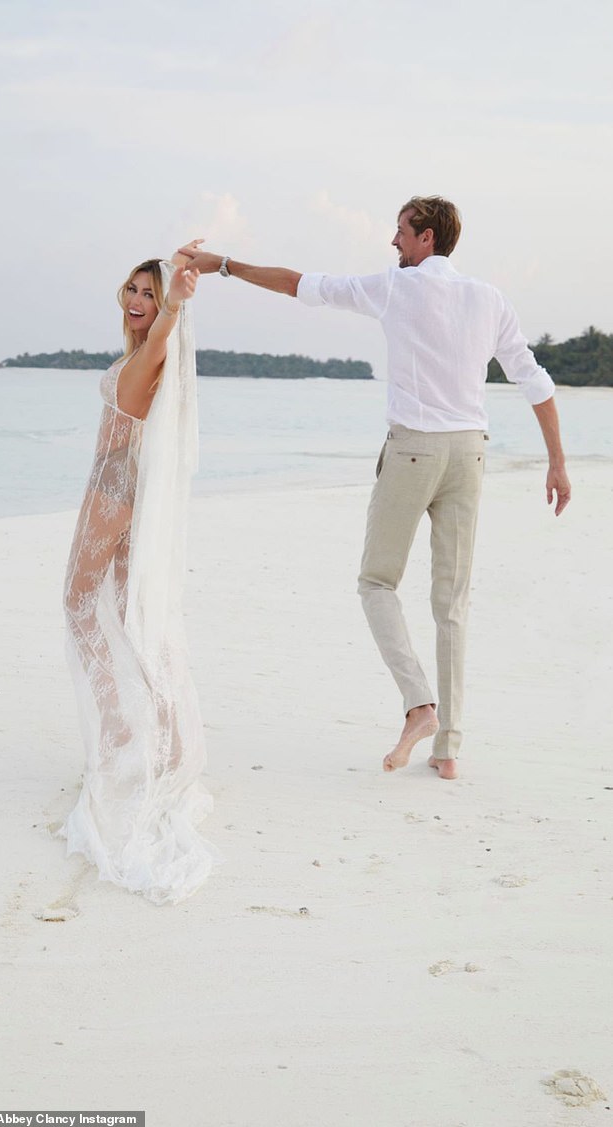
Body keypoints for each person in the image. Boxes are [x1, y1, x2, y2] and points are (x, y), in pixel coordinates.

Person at [179, 197, 571, 780]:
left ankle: (419, 705)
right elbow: (534, 381)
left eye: (401, 232)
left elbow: (297, 284)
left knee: (376, 581)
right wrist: (557, 463)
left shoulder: (394, 288)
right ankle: (449, 750)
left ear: (427, 238)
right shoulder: (490, 299)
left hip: (414, 450)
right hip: (471, 452)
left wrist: (225, 265)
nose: (392, 241)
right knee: (452, 601)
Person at [60, 244, 220, 903]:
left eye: (146, 294)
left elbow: (166, 328)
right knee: (127, 613)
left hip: (112, 489)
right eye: (130, 287)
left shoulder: (154, 347)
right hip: (127, 490)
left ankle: (121, 724)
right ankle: (165, 735)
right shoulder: (139, 351)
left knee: (77, 604)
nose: (135, 300)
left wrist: (177, 293)